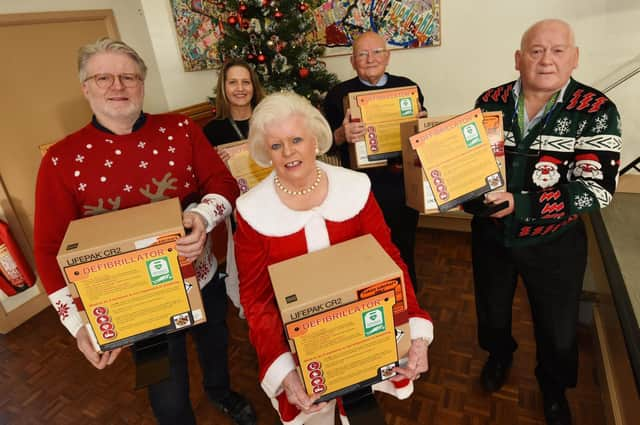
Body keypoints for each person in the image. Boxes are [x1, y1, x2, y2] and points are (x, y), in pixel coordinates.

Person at [33, 38, 256, 425]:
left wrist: (203, 216)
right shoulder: (61, 160)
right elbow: (49, 247)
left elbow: (222, 182)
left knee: (215, 345)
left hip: (202, 278)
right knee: (165, 390)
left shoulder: (182, 130)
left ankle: (221, 393)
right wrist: (76, 322)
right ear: (86, 87)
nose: (117, 86)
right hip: (135, 302)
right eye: (103, 77)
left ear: (142, 84)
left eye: (128, 77)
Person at [234, 91, 433, 424]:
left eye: (296, 139)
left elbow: (391, 262)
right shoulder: (253, 210)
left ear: (315, 140)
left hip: (366, 337)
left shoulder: (354, 187)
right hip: (299, 353)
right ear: (266, 153)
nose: (289, 152)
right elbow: (256, 299)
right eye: (276, 145)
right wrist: (283, 369)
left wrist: (415, 329)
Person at [466, 20, 621, 425]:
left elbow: (597, 190)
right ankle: (499, 356)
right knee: (492, 310)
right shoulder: (490, 101)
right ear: (519, 59)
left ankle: (554, 389)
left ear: (574, 58)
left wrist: (521, 204)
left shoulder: (596, 110)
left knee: (558, 326)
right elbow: (470, 166)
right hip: (491, 235)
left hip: (555, 243)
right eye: (535, 51)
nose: (546, 59)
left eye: (557, 50)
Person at [323, 31, 426, 291]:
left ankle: (408, 297)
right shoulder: (337, 94)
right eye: (362, 54)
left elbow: (420, 140)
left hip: (402, 183)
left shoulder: (408, 88)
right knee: (365, 247)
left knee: (404, 245)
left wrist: (422, 127)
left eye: (377, 52)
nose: (370, 59)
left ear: (388, 56)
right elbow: (326, 143)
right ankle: (372, 297)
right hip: (359, 187)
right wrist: (340, 134)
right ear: (352, 60)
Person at [203, 59, 266, 160]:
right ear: (224, 88)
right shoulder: (210, 132)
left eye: (246, 82)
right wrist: (216, 164)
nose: (240, 88)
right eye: (233, 82)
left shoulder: (270, 120)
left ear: (253, 87)